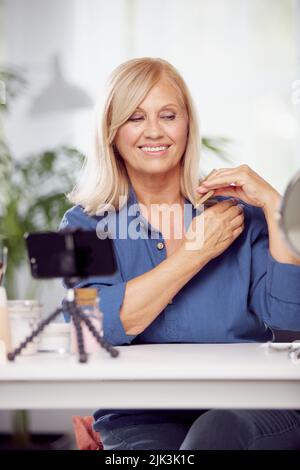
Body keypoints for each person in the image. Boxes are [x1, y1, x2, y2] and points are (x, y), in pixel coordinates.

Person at [60, 57, 300, 450]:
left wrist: (276, 207)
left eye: (168, 115)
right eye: (135, 118)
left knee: (214, 435)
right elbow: (90, 329)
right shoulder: (84, 224)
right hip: (138, 415)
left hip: (250, 406)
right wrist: (195, 252)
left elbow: (290, 316)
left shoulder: (239, 213)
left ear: (187, 125)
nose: (154, 131)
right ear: (112, 131)